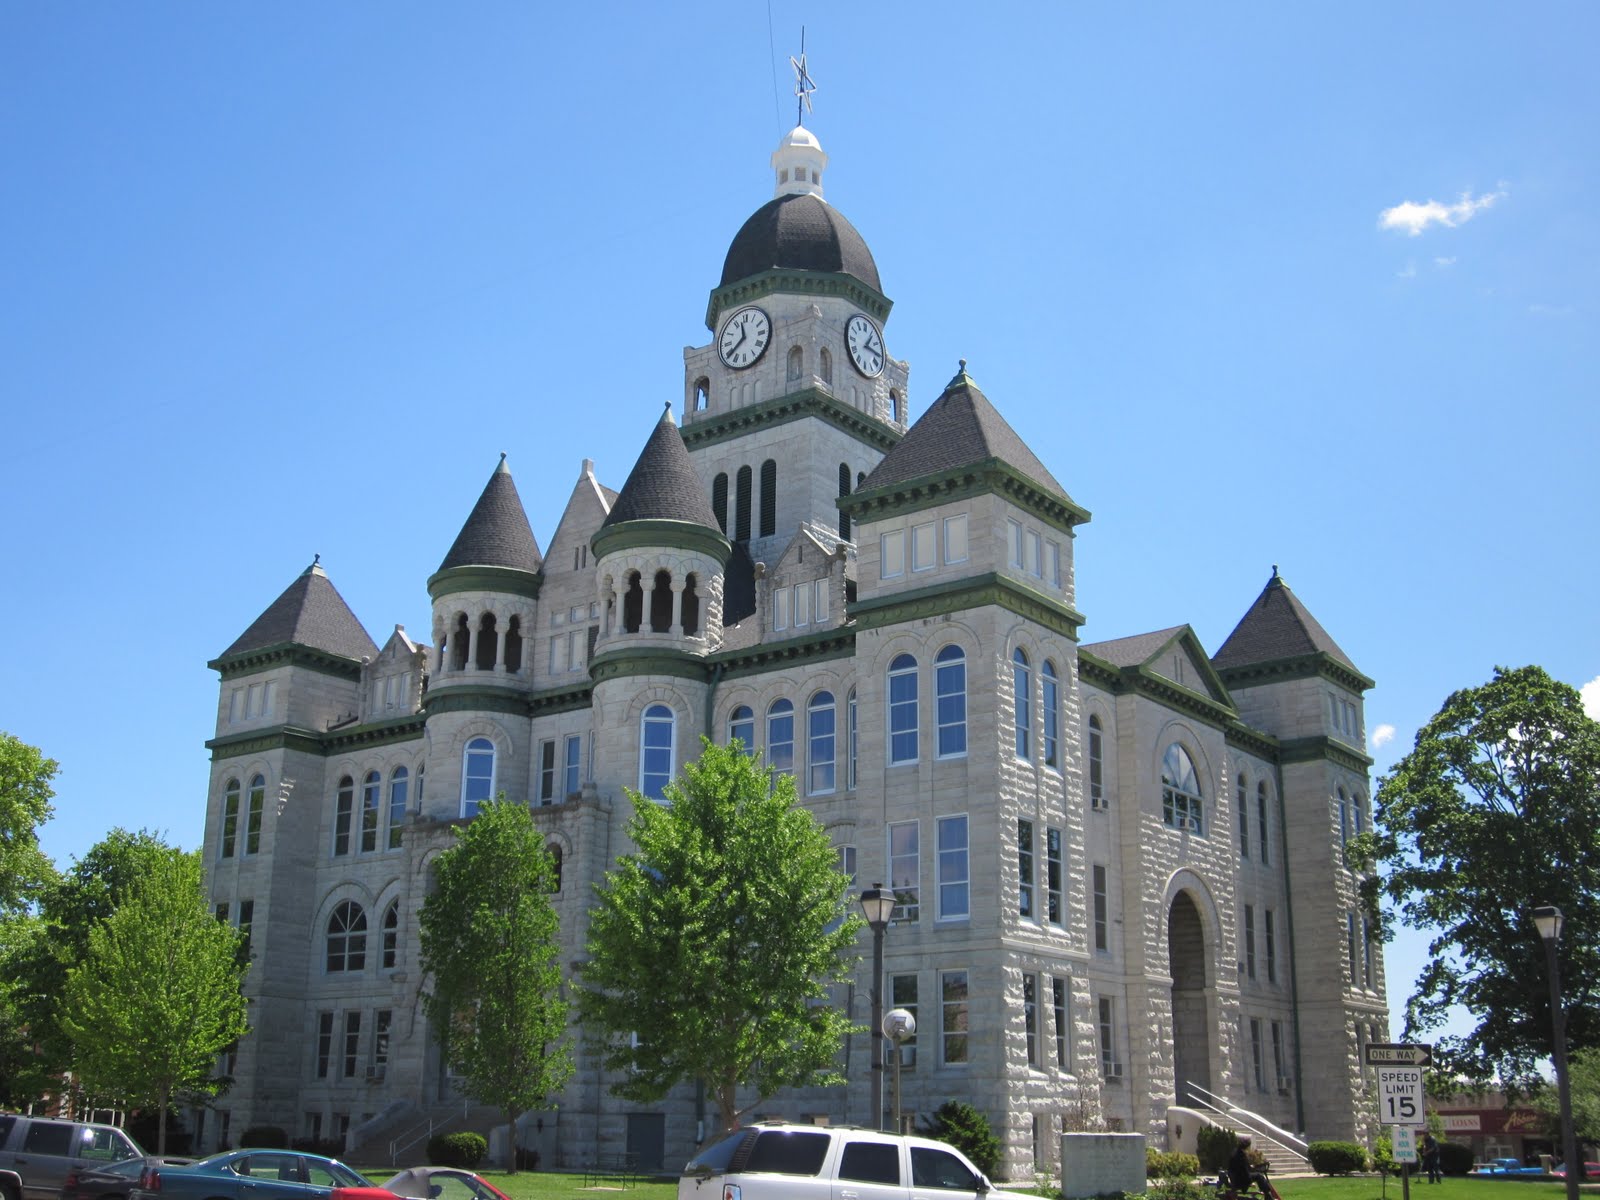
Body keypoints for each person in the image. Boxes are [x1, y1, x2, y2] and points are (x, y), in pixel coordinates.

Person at [1228, 1136, 1282, 1200]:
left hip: (1235, 1178)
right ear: (1247, 1147)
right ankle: (1267, 1195)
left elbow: (1240, 1168)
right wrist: (1250, 1182)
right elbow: (1245, 1171)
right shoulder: (1242, 1156)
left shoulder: (1235, 1153)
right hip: (1241, 1180)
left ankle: (1267, 1194)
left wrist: (1251, 1167)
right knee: (1259, 1176)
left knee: (1257, 1175)